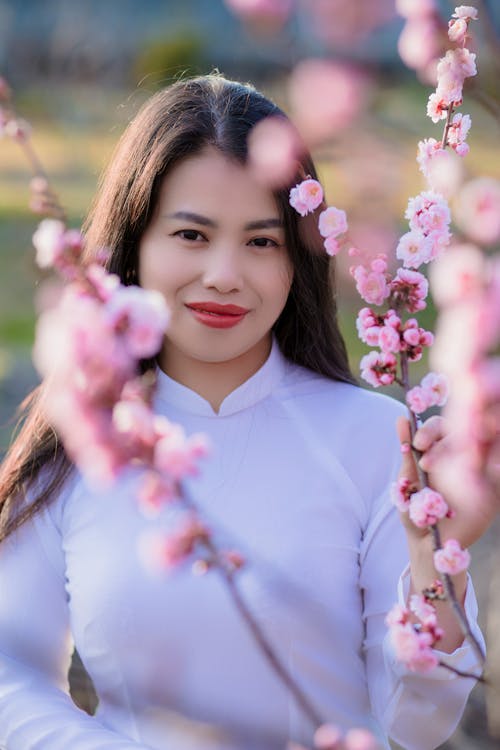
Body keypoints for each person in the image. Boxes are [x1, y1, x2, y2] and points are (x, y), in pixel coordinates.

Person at [0, 73, 489, 750]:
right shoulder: (79, 441)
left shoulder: (378, 442)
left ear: (299, 260)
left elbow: (416, 723)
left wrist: (438, 563)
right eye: (192, 236)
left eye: (262, 242)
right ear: (135, 244)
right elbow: (10, 681)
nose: (225, 273)